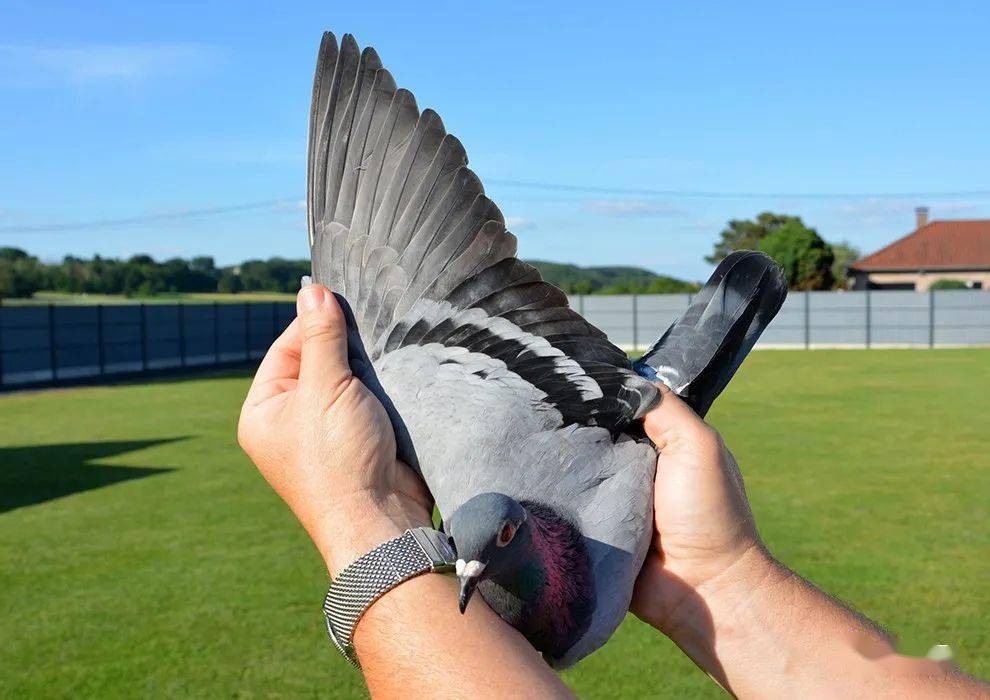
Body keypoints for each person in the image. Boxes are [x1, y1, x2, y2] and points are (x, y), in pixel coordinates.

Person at [238, 284, 987, 699]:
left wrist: (357, 519)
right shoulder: (493, 547)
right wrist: (719, 573)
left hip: (620, 425)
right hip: (612, 433)